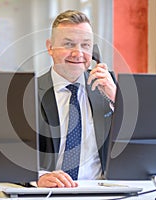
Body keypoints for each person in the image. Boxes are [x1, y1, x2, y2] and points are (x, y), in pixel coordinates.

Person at [37, 10, 117, 188]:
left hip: (101, 190)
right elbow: (10, 153)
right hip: (50, 192)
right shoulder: (28, 91)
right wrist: (38, 177)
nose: (78, 53)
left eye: (85, 45)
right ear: (50, 47)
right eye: (68, 44)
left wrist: (116, 98)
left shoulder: (107, 87)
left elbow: (139, 142)